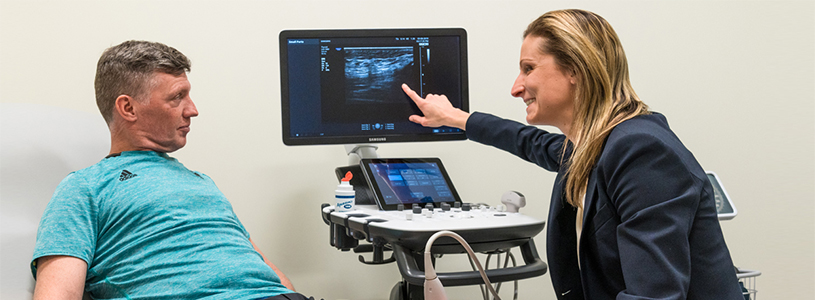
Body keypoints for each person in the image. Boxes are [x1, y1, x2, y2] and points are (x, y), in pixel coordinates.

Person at [402, 9, 745, 300]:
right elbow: (530, 142)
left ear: (575, 70)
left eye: (528, 68)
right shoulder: (593, 145)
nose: (515, 87)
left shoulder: (641, 150)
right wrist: (456, 119)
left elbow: (652, 295)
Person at [31, 40, 314, 300]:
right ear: (128, 108)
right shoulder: (85, 187)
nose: (192, 110)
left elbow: (267, 271)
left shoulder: (202, 182)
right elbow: (57, 294)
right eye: (177, 97)